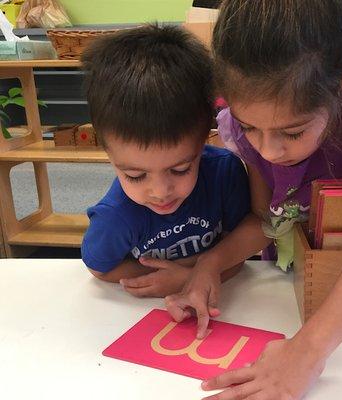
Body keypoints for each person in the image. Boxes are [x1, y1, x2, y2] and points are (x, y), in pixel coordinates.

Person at [165, 1, 342, 399]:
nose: (269, 151)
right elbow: (264, 219)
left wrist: (307, 352)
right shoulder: (249, 128)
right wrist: (210, 264)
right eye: (250, 127)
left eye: (292, 132)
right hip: (297, 284)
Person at [80, 24, 250, 298]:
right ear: (109, 155)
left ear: (204, 139)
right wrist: (175, 279)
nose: (160, 192)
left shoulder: (225, 175)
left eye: (181, 169)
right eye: (135, 175)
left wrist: (193, 275)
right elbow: (99, 268)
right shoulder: (116, 218)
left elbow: (240, 253)